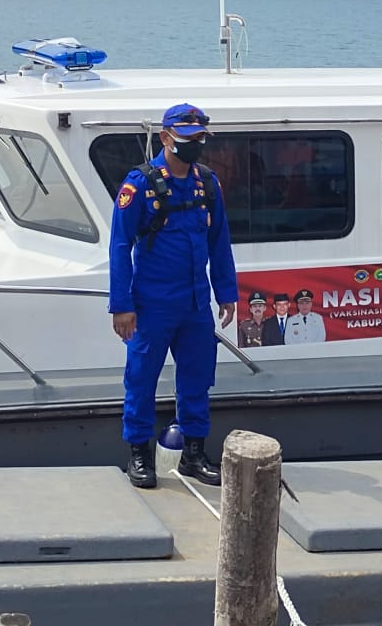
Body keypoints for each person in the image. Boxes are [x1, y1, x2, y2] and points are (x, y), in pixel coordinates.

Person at [109, 103, 237, 490]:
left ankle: (195, 453)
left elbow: (220, 242)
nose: (195, 145)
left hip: (196, 304)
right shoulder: (139, 185)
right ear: (165, 138)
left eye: (200, 139)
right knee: (141, 379)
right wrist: (122, 305)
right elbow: (119, 245)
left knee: (198, 378)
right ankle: (138, 454)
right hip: (152, 304)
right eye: (187, 139)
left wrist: (227, 293)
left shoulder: (207, 184)